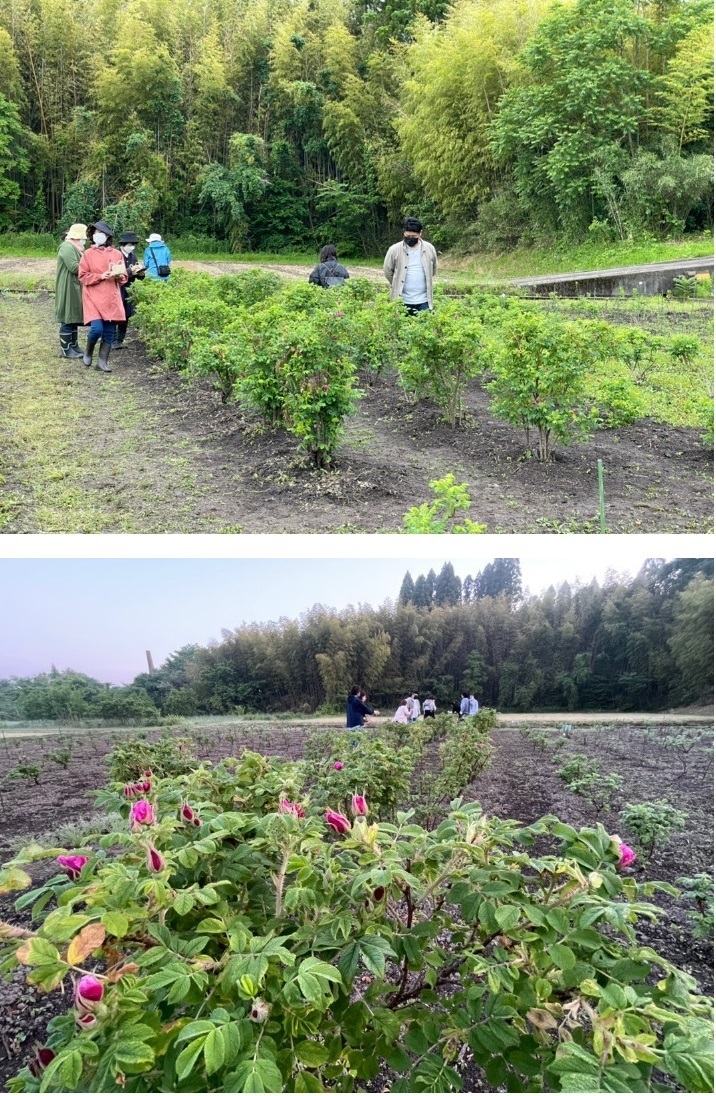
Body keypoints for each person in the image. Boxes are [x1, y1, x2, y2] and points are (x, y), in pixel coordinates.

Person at [78, 221, 128, 373]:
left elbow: (124, 277)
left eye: (102, 233)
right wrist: (100, 276)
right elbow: (83, 276)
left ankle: (102, 362)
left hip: (111, 297)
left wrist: (119, 275)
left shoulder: (117, 254)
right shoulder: (88, 254)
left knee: (109, 331)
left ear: (108, 236)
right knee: (96, 328)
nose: (98, 236)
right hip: (93, 296)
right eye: (95, 233)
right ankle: (88, 351)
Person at [383, 216, 438, 314]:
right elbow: (387, 271)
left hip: (424, 301)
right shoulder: (394, 250)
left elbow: (433, 270)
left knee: (424, 328)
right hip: (402, 301)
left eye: (413, 237)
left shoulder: (429, 249)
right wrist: (397, 282)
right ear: (404, 233)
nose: (410, 239)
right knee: (402, 328)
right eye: (407, 236)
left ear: (420, 233)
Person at [55, 224, 87, 358]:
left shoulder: (77, 247)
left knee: (73, 316)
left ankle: (74, 345)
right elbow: (74, 267)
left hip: (75, 285)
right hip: (68, 285)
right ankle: (66, 349)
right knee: (68, 316)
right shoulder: (67, 247)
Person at [115, 231, 146, 349]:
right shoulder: (116, 254)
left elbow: (137, 275)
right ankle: (111, 339)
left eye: (133, 244)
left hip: (128, 288)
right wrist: (130, 271)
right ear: (123, 244)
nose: (131, 246)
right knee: (116, 313)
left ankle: (119, 340)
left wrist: (140, 273)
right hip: (117, 287)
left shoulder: (133, 255)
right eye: (129, 244)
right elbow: (117, 272)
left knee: (126, 314)